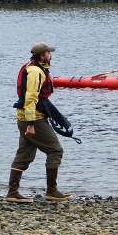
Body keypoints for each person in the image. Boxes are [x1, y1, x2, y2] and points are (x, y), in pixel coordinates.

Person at [7, 42, 70, 203]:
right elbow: (30, 98)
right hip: (33, 118)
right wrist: (31, 124)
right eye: (49, 53)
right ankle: (52, 191)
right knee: (55, 150)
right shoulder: (35, 72)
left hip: (24, 117)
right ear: (42, 56)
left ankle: (12, 193)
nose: (51, 55)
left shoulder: (33, 67)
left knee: (24, 154)